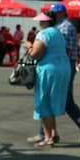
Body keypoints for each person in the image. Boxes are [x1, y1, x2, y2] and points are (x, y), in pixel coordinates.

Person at [48, 2, 80, 144]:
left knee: (54, 98)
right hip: (64, 64)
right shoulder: (59, 26)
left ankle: (49, 133)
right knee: (62, 99)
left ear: (61, 13)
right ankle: (50, 132)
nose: (52, 15)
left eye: (54, 13)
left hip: (63, 64)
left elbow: (67, 50)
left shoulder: (65, 27)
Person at [28, 11, 71, 146]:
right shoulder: (58, 33)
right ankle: (53, 133)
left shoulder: (43, 34)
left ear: (47, 22)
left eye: (41, 21)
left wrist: (28, 47)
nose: (40, 24)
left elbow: (36, 54)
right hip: (63, 68)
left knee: (43, 103)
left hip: (48, 70)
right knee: (52, 102)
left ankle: (48, 138)